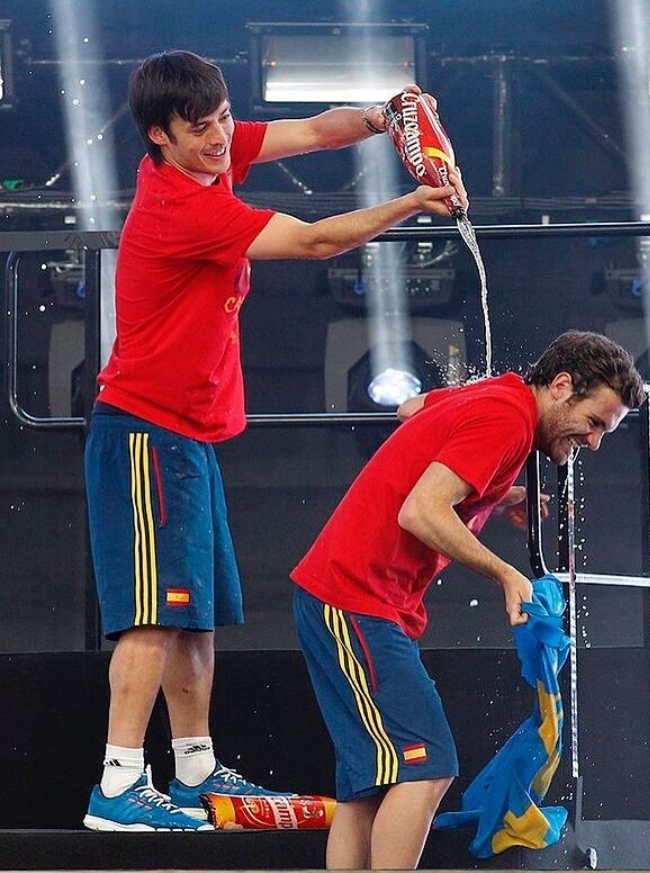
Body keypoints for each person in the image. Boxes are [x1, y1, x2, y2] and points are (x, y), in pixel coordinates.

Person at [82, 49, 467, 832]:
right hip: (142, 434)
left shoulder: (212, 159)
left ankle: (194, 769)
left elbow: (314, 131)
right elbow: (317, 241)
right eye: (200, 129)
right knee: (152, 615)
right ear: (159, 137)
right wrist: (411, 201)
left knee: (193, 615)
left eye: (224, 118)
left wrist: (383, 117)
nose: (220, 137)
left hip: (187, 437)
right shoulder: (181, 209)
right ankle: (117, 785)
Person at [290, 330, 646, 869]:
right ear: (561, 386)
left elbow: (413, 409)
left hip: (344, 599)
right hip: (356, 600)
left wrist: (492, 495)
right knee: (428, 765)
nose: (594, 442)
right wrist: (504, 573)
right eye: (593, 422)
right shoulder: (507, 419)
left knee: (369, 790)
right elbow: (420, 510)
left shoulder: (501, 394)